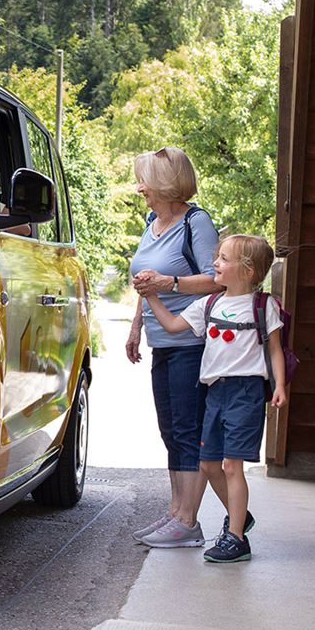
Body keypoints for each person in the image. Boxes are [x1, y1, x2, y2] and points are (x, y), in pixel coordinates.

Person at [142, 234, 288, 564]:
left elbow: (275, 350)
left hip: (245, 393)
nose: (215, 264)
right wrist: (151, 296)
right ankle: (240, 516)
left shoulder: (263, 307)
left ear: (248, 271)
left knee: (232, 466)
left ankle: (236, 538)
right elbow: (173, 324)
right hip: (214, 393)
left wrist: (280, 386)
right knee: (208, 464)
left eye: (223, 259)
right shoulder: (209, 304)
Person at [124, 147, 226, 550]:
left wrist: (171, 285)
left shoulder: (196, 223)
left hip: (189, 341)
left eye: (145, 180)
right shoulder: (152, 222)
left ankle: (189, 520)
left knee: (187, 430)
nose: (139, 188)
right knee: (170, 429)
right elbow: (141, 280)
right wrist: (135, 325)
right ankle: (175, 511)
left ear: (165, 183)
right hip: (159, 341)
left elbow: (217, 279)